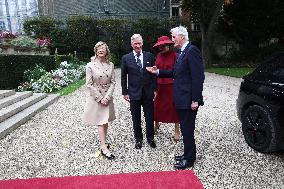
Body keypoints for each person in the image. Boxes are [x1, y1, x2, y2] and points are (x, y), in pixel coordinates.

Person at [146, 26, 205, 169]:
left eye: (173, 37)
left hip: (188, 100)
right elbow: (175, 73)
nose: (172, 40)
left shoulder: (191, 51)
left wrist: (195, 99)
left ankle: (189, 159)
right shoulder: (183, 52)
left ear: (181, 37)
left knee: (188, 130)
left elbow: (198, 77)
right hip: (181, 98)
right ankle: (187, 154)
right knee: (185, 129)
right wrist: (158, 71)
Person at [121, 34, 157, 149]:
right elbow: (123, 76)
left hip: (148, 92)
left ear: (142, 43)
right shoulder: (126, 58)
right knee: (136, 117)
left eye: (139, 43)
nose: (138, 45)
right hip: (133, 92)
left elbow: (154, 74)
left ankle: (150, 138)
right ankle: (138, 139)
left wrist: (155, 89)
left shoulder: (150, 56)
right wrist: (125, 92)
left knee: (149, 116)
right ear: (132, 44)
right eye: (135, 43)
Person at [82, 41, 116, 160]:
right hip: (97, 98)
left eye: (103, 48)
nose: (101, 50)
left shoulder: (111, 64)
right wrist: (100, 98)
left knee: (105, 121)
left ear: (107, 51)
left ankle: (104, 142)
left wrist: (107, 96)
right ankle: (103, 147)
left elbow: (113, 82)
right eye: (98, 48)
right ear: (95, 50)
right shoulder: (90, 66)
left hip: (107, 97)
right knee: (101, 122)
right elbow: (89, 84)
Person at [152, 36, 180, 142]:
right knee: (157, 106)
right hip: (159, 85)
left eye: (164, 45)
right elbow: (155, 70)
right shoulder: (158, 55)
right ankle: (156, 124)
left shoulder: (175, 56)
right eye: (160, 46)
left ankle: (177, 130)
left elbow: (176, 71)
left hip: (171, 86)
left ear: (168, 45)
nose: (162, 47)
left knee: (174, 108)